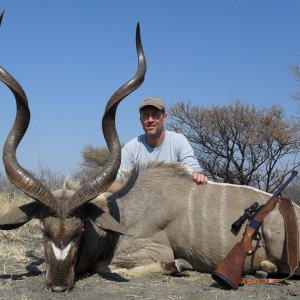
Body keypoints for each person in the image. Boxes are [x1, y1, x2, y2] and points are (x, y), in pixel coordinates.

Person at [108, 96, 207, 192]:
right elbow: (116, 182)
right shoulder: (131, 148)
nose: (150, 120)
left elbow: (193, 169)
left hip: (174, 199)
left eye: (155, 114)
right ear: (141, 120)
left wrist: (198, 175)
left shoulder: (178, 140)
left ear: (164, 118)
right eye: (146, 115)